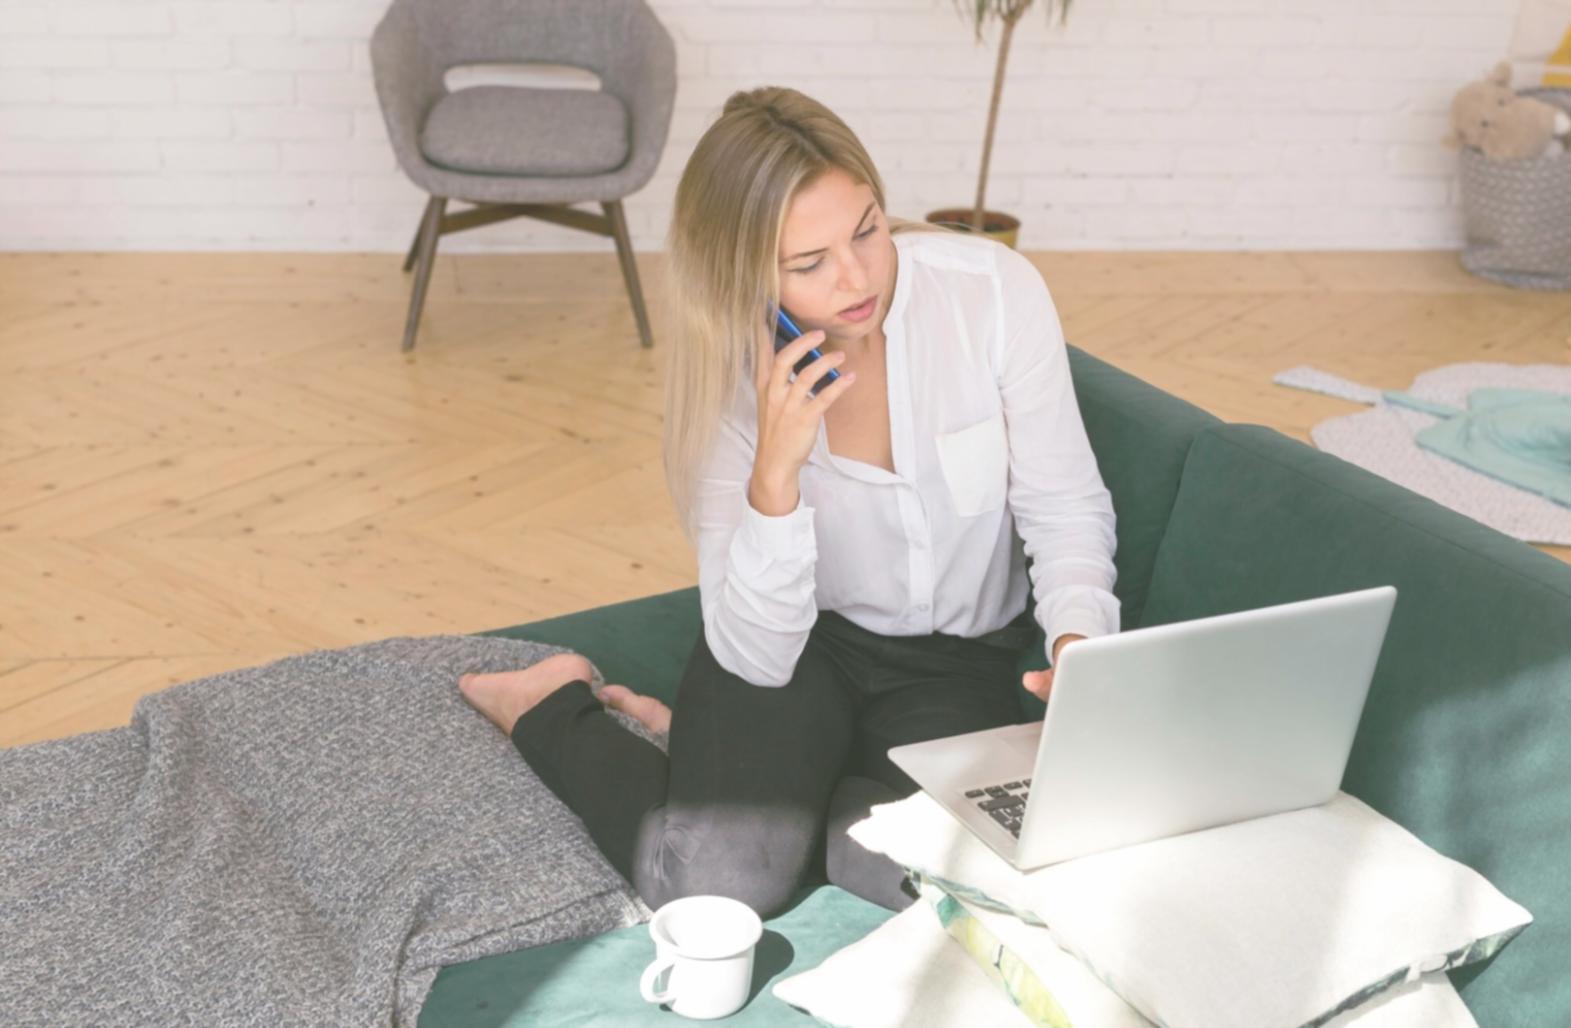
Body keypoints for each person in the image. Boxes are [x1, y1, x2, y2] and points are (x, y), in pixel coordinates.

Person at [459, 85, 1120, 918]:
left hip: (958, 661)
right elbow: (758, 654)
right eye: (808, 264)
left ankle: (745, 776)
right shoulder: (732, 375)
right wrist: (775, 476)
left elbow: (1064, 505)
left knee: (934, 874)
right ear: (745, 273)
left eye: (867, 230)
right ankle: (549, 705)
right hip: (795, 651)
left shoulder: (990, 294)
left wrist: (1080, 648)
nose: (857, 277)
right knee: (715, 888)